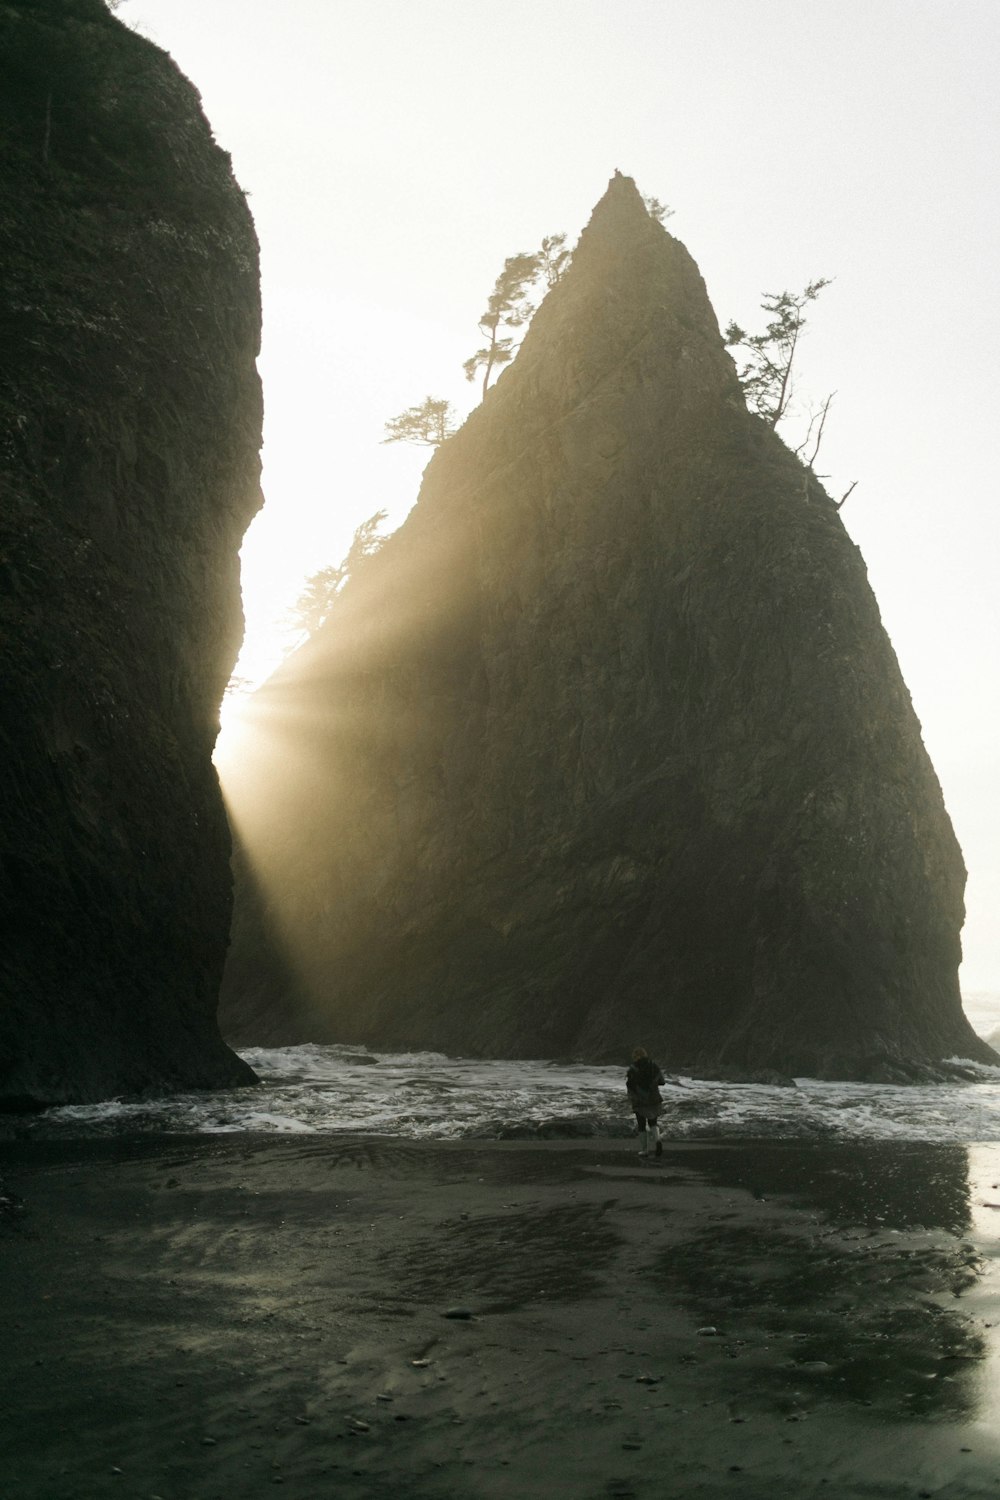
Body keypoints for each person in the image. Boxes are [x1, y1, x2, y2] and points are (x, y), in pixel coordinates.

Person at [626, 1046, 665, 1157]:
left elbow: (630, 1085)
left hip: (640, 1100)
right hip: (654, 1098)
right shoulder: (654, 1066)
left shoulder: (633, 1068)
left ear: (636, 1056)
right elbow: (662, 1082)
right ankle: (658, 1140)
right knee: (653, 1122)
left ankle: (644, 1150)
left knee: (641, 1125)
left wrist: (631, 1096)